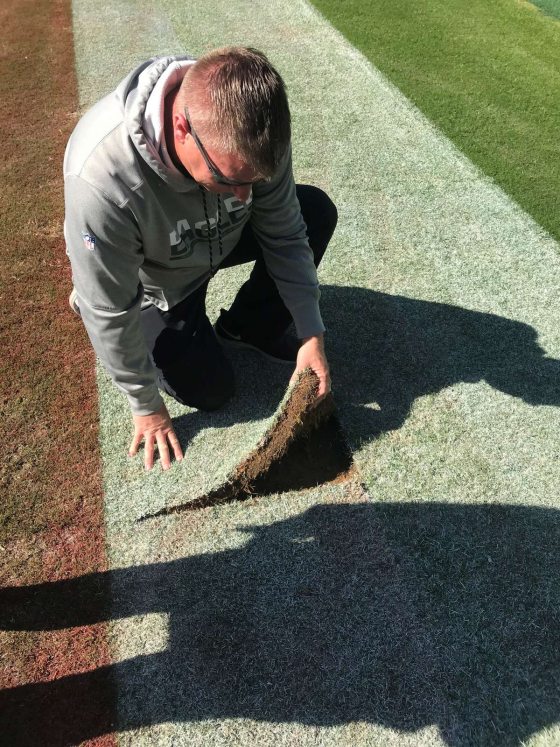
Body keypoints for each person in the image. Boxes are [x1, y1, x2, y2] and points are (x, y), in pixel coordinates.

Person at [64, 47, 338, 472]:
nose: (246, 195)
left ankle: (246, 327)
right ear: (181, 128)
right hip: (155, 279)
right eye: (230, 179)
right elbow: (109, 310)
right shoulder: (101, 181)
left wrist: (311, 333)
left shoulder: (254, 130)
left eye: (254, 181)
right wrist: (145, 404)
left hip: (214, 238)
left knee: (314, 211)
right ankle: (95, 282)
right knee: (212, 391)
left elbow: (284, 233)